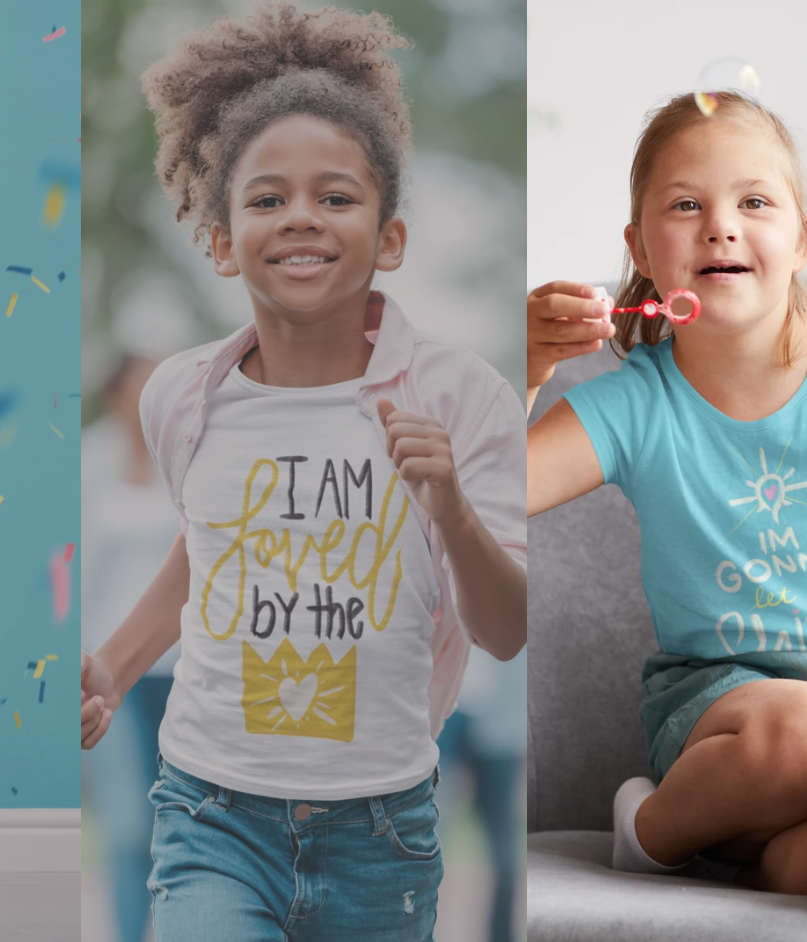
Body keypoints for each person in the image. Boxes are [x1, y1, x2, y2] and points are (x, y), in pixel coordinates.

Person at [79, 5, 527, 939]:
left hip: (383, 831)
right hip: (210, 814)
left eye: (336, 196)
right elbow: (211, 547)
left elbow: (507, 629)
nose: (301, 220)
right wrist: (115, 667)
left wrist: (447, 504)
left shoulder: (461, 397)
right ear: (219, 237)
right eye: (266, 198)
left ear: (389, 237)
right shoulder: (180, 398)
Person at [526, 90, 807, 895]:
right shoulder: (636, 404)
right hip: (729, 713)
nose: (720, 225)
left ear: (801, 241)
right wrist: (523, 369)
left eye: (753, 202)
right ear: (641, 249)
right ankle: (652, 832)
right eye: (687, 204)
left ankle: (773, 860)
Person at [82, 355, 183, 942]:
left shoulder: (191, 459)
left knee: (186, 824)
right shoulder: (91, 462)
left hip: (188, 670)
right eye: (142, 388)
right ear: (116, 395)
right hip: (111, 670)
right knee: (126, 824)